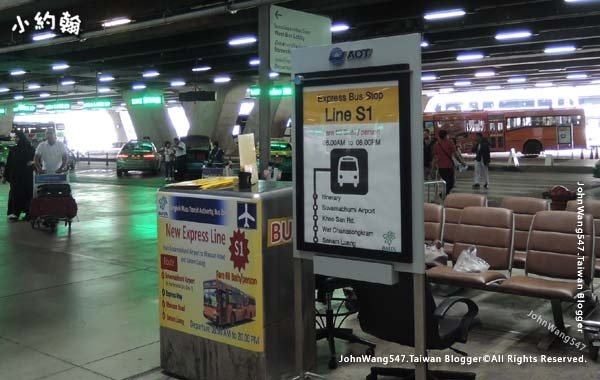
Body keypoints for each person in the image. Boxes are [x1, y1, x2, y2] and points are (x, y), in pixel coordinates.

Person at [2, 131, 35, 221]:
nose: (16, 139)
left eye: (17, 137)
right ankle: (15, 213)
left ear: (22, 138)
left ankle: (28, 212)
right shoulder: (13, 150)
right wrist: (5, 176)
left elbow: (35, 160)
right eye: (15, 137)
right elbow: (9, 163)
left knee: (28, 194)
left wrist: (32, 163)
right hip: (15, 177)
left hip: (27, 177)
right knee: (15, 194)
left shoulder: (30, 149)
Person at [434, 130, 465, 195]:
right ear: (446, 136)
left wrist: (434, 166)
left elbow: (435, 157)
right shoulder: (449, 143)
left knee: (446, 182)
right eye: (448, 135)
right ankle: (444, 194)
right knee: (451, 182)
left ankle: (444, 194)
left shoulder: (437, 145)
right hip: (448, 166)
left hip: (440, 167)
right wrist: (461, 162)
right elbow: (455, 154)